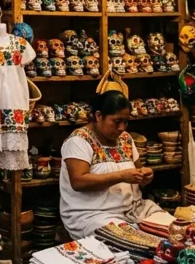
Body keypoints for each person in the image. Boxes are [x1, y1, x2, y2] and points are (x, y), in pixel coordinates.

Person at [59, 91, 163, 239]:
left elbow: (138, 173)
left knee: (172, 230)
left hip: (133, 210)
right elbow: (78, 182)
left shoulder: (125, 139)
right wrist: (121, 176)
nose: (122, 127)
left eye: (126, 122)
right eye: (116, 121)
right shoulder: (79, 140)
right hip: (92, 215)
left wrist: (145, 176)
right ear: (98, 116)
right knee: (135, 240)